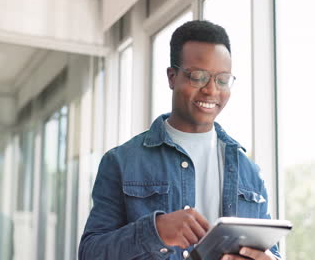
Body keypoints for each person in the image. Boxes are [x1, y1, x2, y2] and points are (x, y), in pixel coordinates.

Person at [79, 20, 281, 260]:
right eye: (198, 76)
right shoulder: (121, 162)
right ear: (172, 77)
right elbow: (90, 253)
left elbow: (272, 253)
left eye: (222, 80)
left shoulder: (249, 173)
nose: (211, 90)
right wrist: (156, 231)